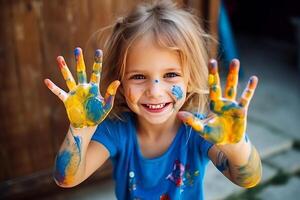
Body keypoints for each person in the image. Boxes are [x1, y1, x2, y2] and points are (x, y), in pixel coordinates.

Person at [44, 1, 262, 199]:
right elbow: (67, 178)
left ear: (190, 79)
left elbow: (247, 179)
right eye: (139, 76)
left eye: (170, 75)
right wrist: (80, 128)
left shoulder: (199, 132)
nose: (155, 91)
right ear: (119, 82)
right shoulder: (117, 131)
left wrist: (236, 146)